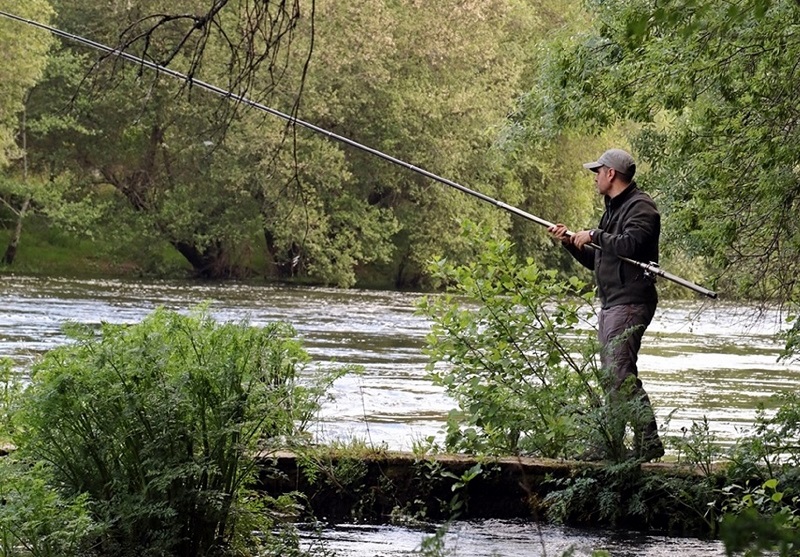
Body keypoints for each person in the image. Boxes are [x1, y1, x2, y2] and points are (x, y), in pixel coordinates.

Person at [548, 148, 665, 462]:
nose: (595, 177)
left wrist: (595, 234)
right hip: (614, 303)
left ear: (611, 173)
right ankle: (616, 446)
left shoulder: (642, 207)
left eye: (598, 171)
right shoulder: (613, 208)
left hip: (631, 302)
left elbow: (630, 244)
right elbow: (600, 258)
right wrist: (571, 243)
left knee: (620, 376)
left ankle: (645, 444)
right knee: (613, 377)